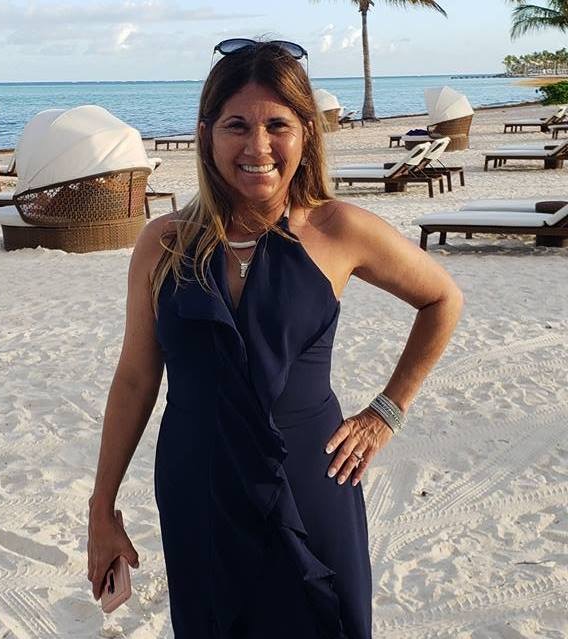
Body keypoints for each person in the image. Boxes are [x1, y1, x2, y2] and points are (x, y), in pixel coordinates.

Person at [87, 39, 463, 639]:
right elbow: (136, 376)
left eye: (277, 126)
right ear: (206, 134)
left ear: (306, 133)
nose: (257, 147)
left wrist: (386, 412)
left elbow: (442, 299)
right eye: (237, 125)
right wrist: (101, 508)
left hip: (313, 481)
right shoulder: (164, 243)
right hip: (199, 487)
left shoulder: (338, 229)